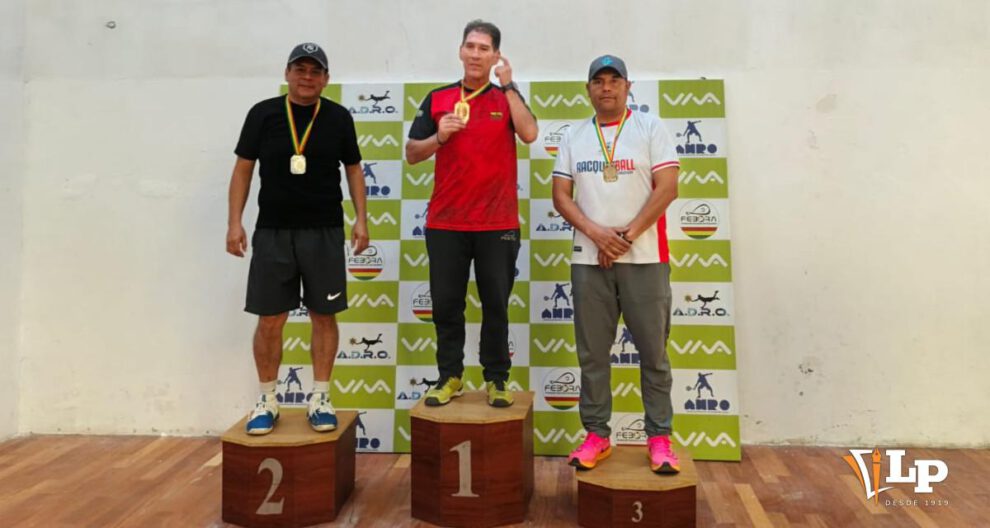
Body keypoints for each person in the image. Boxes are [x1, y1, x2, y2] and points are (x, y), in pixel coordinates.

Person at [226, 43, 369, 435]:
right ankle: (267, 398)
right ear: (287, 73)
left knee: (324, 316)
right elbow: (242, 170)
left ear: (326, 78)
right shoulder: (263, 114)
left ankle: (320, 396)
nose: (307, 77)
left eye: (315, 71)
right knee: (270, 319)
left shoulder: (338, 117)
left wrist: (361, 219)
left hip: (323, 232)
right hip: (272, 232)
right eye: (300, 69)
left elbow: (355, 170)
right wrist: (234, 223)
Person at [551, 55, 682, 473]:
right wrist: (597, 234)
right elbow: (561, 196)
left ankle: (659, 438)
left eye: (614, 80)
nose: (606, 87)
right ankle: (596, 436)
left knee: (654, 355)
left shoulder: (650, 127)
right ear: (588, 90)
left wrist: (624, 237)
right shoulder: (573, 136)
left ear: (628, 87)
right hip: (590, 261)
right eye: (598, 81)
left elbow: (669, 188)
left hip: (645, 258)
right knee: (593, 355)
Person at [405, 20, 538, 408]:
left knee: (496, 304)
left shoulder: (504, 98)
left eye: (485, 48)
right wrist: (439, 136)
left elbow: (529, 133)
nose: (476, 54)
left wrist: (509, 84)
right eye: (470, 47)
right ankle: (450, 377)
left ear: (496, 55)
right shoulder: (438, 98)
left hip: (497, 223)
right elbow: (413, 153)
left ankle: (496, 378)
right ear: (460, 51)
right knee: (447, 305)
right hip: (446, 223)